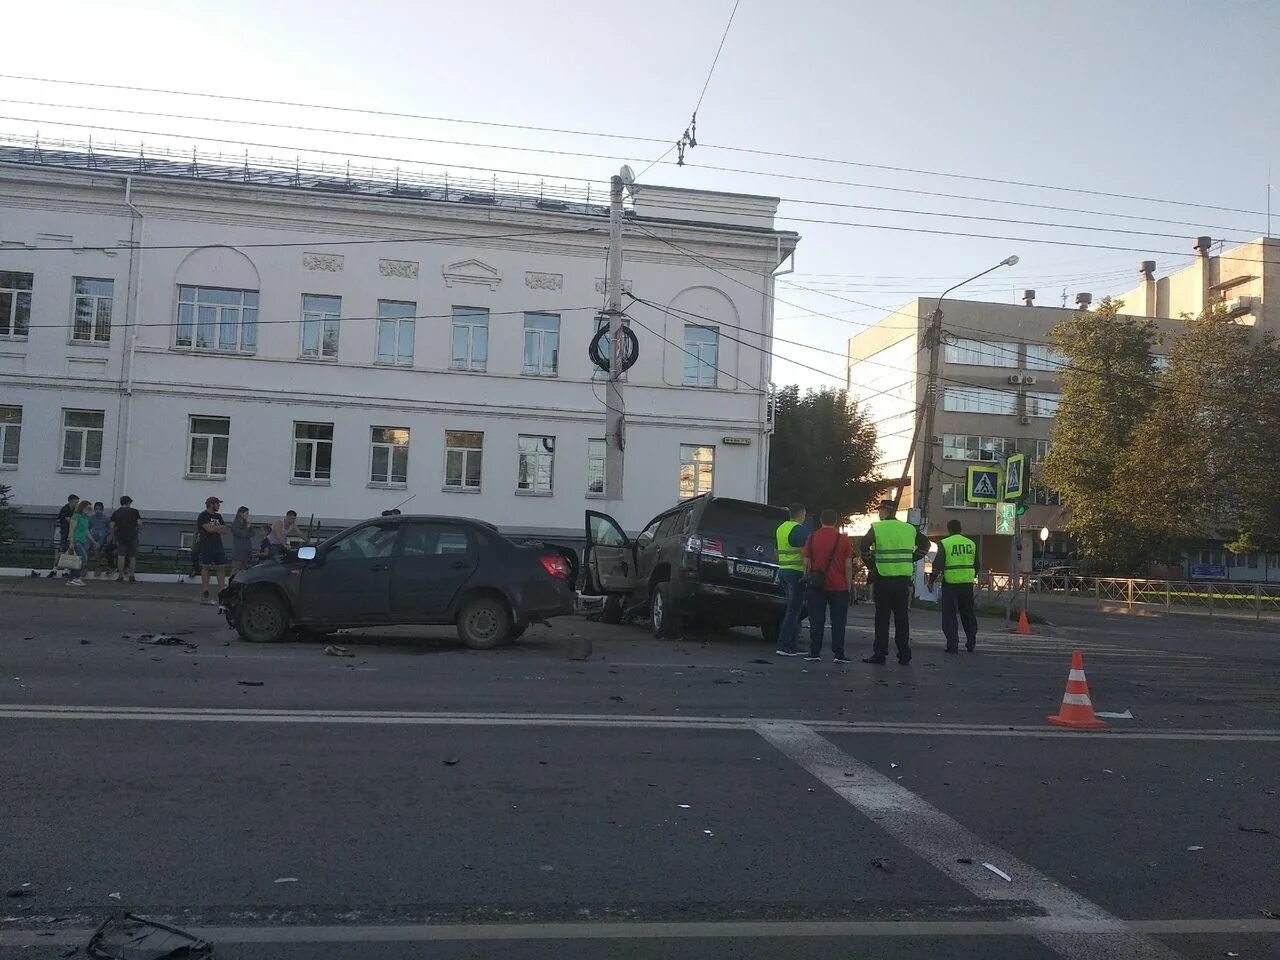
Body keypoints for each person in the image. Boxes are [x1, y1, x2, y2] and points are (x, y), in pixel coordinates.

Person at [860, 500, 931, 665]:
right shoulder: (909, 529)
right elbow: (925, 544)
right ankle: (904, 653)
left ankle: (880, 654)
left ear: (885, 511)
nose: (879, 513)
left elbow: (864, 545)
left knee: (882, 618)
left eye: (880, 510)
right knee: (902, 618)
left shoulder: (878, 528)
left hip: (883, 579)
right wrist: (913, 558)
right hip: (902, 580)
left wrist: (871, 565)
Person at [802, 508, 853, 663]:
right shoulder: (843, 540)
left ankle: (814, 652)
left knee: (816, 619)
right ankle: (838, 654)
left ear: (821, 521)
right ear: (835, 521)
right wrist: (849, 586)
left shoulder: (812, 537)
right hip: (839, 586)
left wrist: (807, 578)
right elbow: (848, 566)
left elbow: (806, 562)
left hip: (816, 585)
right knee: (838, 621)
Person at [929, 519, 980, 653]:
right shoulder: (971, 544)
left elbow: (937, 565)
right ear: (960, 528)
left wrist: (931, 581)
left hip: (950, 583)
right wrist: (971, 576)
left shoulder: (945, 543)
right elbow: (977, 564)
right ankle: (971, 641)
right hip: (967, 584)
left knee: (949, 614)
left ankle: (953, 644)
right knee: (968, 613)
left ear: (949, 529)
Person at [772, 504, 809, 656]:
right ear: (801, 514)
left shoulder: (781, 528)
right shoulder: (798, 530)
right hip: (796, 573)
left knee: (793, 610)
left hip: (784, 572)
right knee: (794, 611)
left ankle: (792, 644)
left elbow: (776, 551)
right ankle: (785, 645)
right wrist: (807, 573)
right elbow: (805, 553)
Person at [196, 496, 228, 604]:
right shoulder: (203, 515)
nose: (219, 506)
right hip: (207, 545)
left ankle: (222, 590)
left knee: (221, 567)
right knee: (206, 567)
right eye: (217, 503)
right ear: (211, 504)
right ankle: (205, 589)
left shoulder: (218, 516)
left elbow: (224, 529)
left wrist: (215, 528)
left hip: (218, 545)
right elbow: (208, 529)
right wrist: (216, 528)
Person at [109, 495, 142, 583]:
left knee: (121, 556)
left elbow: (112, 525)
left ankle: (120, 576)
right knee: (132, 557)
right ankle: (131, 576)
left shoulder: (117, 512)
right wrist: (138, 531)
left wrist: (112, 536)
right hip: (133, 536)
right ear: (128, 502)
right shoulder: (134, 511)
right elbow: (139, 523)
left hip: (120, 536)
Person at [66, 499, 91, 587]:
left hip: (82, 540)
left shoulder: (85, 518)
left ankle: (71, 579)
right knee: (82, 558)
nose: (88, 511)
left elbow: (86, 530)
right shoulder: (76, 516)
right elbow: (72, 529)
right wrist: (71, 542)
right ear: (82, 508)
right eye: (87, 508)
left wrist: (93, 541)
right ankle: (76, 577)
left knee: (76, 560)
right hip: (76, 540)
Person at [56, 494, 80, 578]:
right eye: (75, 502)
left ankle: (66, 569)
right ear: (70, 501)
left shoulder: (74, 510)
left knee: (70, 550)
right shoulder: (65, 509)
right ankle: (55, 568)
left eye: (77, 502)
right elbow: (70, 520)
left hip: (72, 532)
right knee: (62, 550)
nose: (76, 504)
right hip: (65, 532)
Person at [88, 501, 111, 577]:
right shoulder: (90, 518)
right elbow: (87, 529)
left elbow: (109, 530)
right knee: (84, 547)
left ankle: (98, 567)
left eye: (100, 509)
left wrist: (104, 533)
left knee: (96, 548)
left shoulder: (106, 519)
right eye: (96, 509)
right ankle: (84, 567)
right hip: (92, 538)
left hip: (101, 539)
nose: (98, 511)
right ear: (94, 509)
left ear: (102, 510)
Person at [229, 506, 254, 575]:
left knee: (244, 573)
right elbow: (242, 534)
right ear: (240, 513)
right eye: (246, 513)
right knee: (235, 571)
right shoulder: (234, 525)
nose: (247, 515)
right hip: (238, 553)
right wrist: (247, 528)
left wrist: (248, 526)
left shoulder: (246, 523)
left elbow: (252, 533)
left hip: (246, 552)